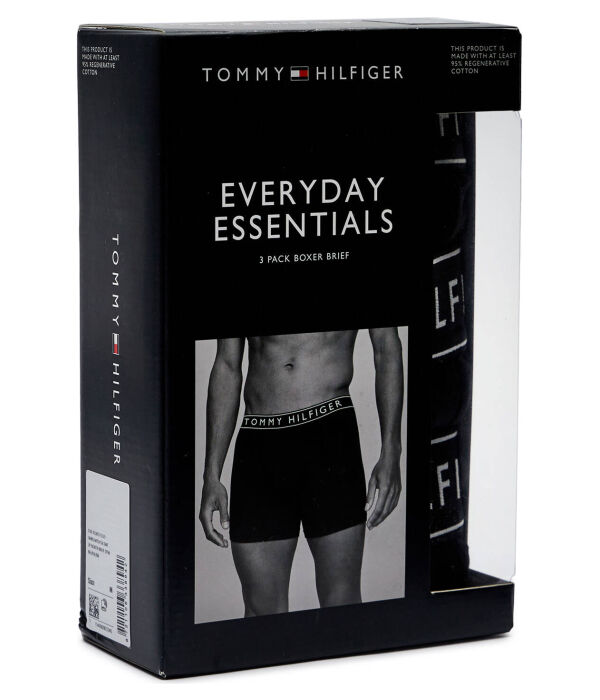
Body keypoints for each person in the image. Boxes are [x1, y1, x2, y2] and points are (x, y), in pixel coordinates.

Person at [199, 329, 403, 616]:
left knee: (342, 607)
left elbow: (386, 346)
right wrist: (211, 475)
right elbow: (227, 364)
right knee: (261, 614)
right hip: (261, 443)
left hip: (330, 436)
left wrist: (392, 451)